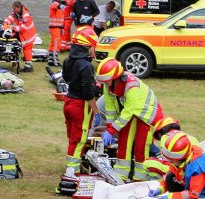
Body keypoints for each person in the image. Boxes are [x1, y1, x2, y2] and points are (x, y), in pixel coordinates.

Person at [95, 58, 164, 182]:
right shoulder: (109, 85)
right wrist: (110, 128)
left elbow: (128, 112)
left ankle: (140, 177)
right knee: (123, 142)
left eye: (106, 81)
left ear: (115, 78)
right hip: (130, 113)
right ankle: (121, 174)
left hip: (145, 115)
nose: (104, 84)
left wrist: (112, 131)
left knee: (141, 146)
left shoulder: (132, 86)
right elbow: (110, 108)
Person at [61, 26, 100, 179]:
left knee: (72, 137)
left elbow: (66, 78)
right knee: (79, 139)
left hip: (69, 101)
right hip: (80, 105)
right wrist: (96, 110)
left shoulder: (68, 61)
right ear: (88, 46)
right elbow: (87, 92)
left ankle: (74, 166)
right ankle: (71, 172)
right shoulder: (86, 66)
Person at [4, 1, 37, 72]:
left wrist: (12, 27)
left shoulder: (26, 16)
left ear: (18, 8)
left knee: (27, 49)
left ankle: (28, 67)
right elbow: (10, 18)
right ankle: (28, 66)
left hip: (28, 35)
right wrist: (6, 23)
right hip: (24, 34)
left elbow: (22, 27)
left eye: (14, 8)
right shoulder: (16, 13)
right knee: (26, 49)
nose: (13, 10)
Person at [48, 0, 66, 67]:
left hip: (57, 27)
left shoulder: (58, 4)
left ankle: (50, 60)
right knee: (56, 44)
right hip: (55, 27)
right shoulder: (55, 3)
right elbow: (59, 6)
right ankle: (56, 61)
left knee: (53, 43)